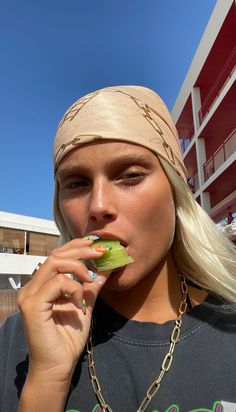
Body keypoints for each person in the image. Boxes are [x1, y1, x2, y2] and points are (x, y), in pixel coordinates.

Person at [1, 85, 236, 412]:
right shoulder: (22, 338)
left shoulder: (229, 330)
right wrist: (47, 378)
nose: (98, 206)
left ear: (176, 191)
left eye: (130, 175)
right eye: (77, 183)